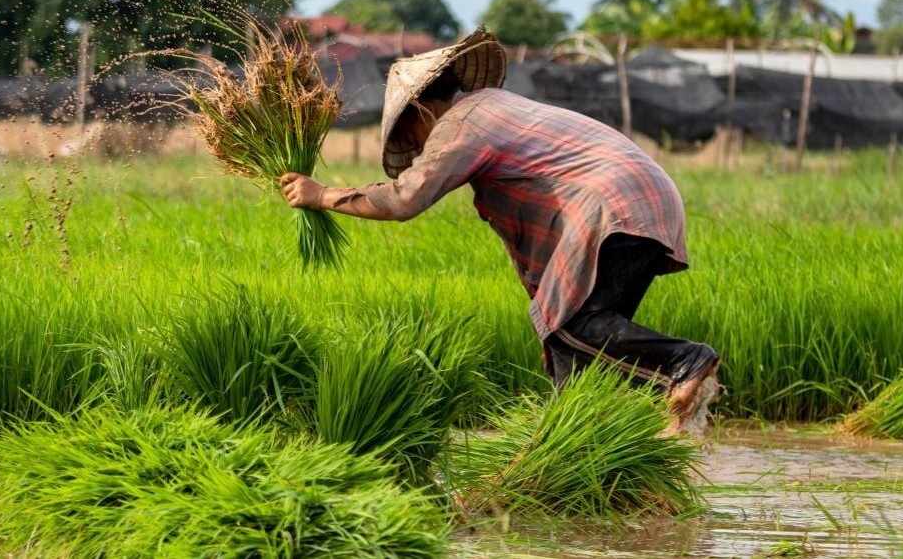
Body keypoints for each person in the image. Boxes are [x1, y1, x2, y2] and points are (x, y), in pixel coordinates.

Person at [281, 30, 720, 438]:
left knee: (574, 325)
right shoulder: (498, 109)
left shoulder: (463, 123)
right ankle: (584, 451)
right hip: (642, 198)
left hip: (613, 204)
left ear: (421, 110)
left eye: (411, 135)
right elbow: (535, 249)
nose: (419, 148)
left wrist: (321, 195)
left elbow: (403, 200)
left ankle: (684, 361)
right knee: (577, 352)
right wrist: (547, 321)